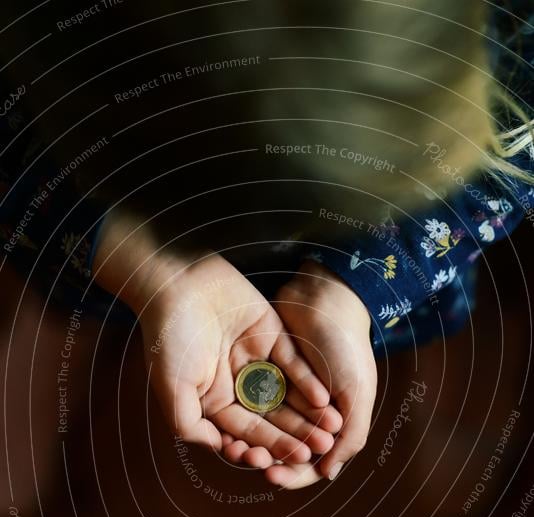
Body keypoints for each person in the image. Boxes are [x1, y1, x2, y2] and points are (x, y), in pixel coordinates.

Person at [1, 0, 532, 489]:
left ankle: (428, 378)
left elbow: (522, 119)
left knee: (425, 315)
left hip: (408, 237)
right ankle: (58, 331)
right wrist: (149, 265)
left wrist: (358, 285)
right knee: (71, 281)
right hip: (93, 232)